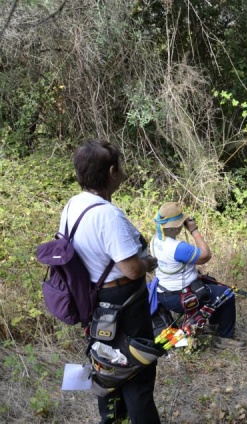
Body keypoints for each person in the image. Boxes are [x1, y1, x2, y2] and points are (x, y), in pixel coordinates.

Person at [60, 140, 161, 424]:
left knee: (105, 367)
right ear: (113, 171)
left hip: (94, 302)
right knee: (137, 372)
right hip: (124, 304)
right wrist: (149, 263)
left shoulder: (73, 205)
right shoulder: (108, 215)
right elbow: (130, 269)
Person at [151, 202, 245, 348]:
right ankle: (224, 338)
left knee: (212, 284)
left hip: (163, 292)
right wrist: (194, 231)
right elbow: (206, 255)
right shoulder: (178, 247)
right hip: (179, 297)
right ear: (177, 226)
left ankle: (214, 324)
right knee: (227, 293)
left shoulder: (155, 240)